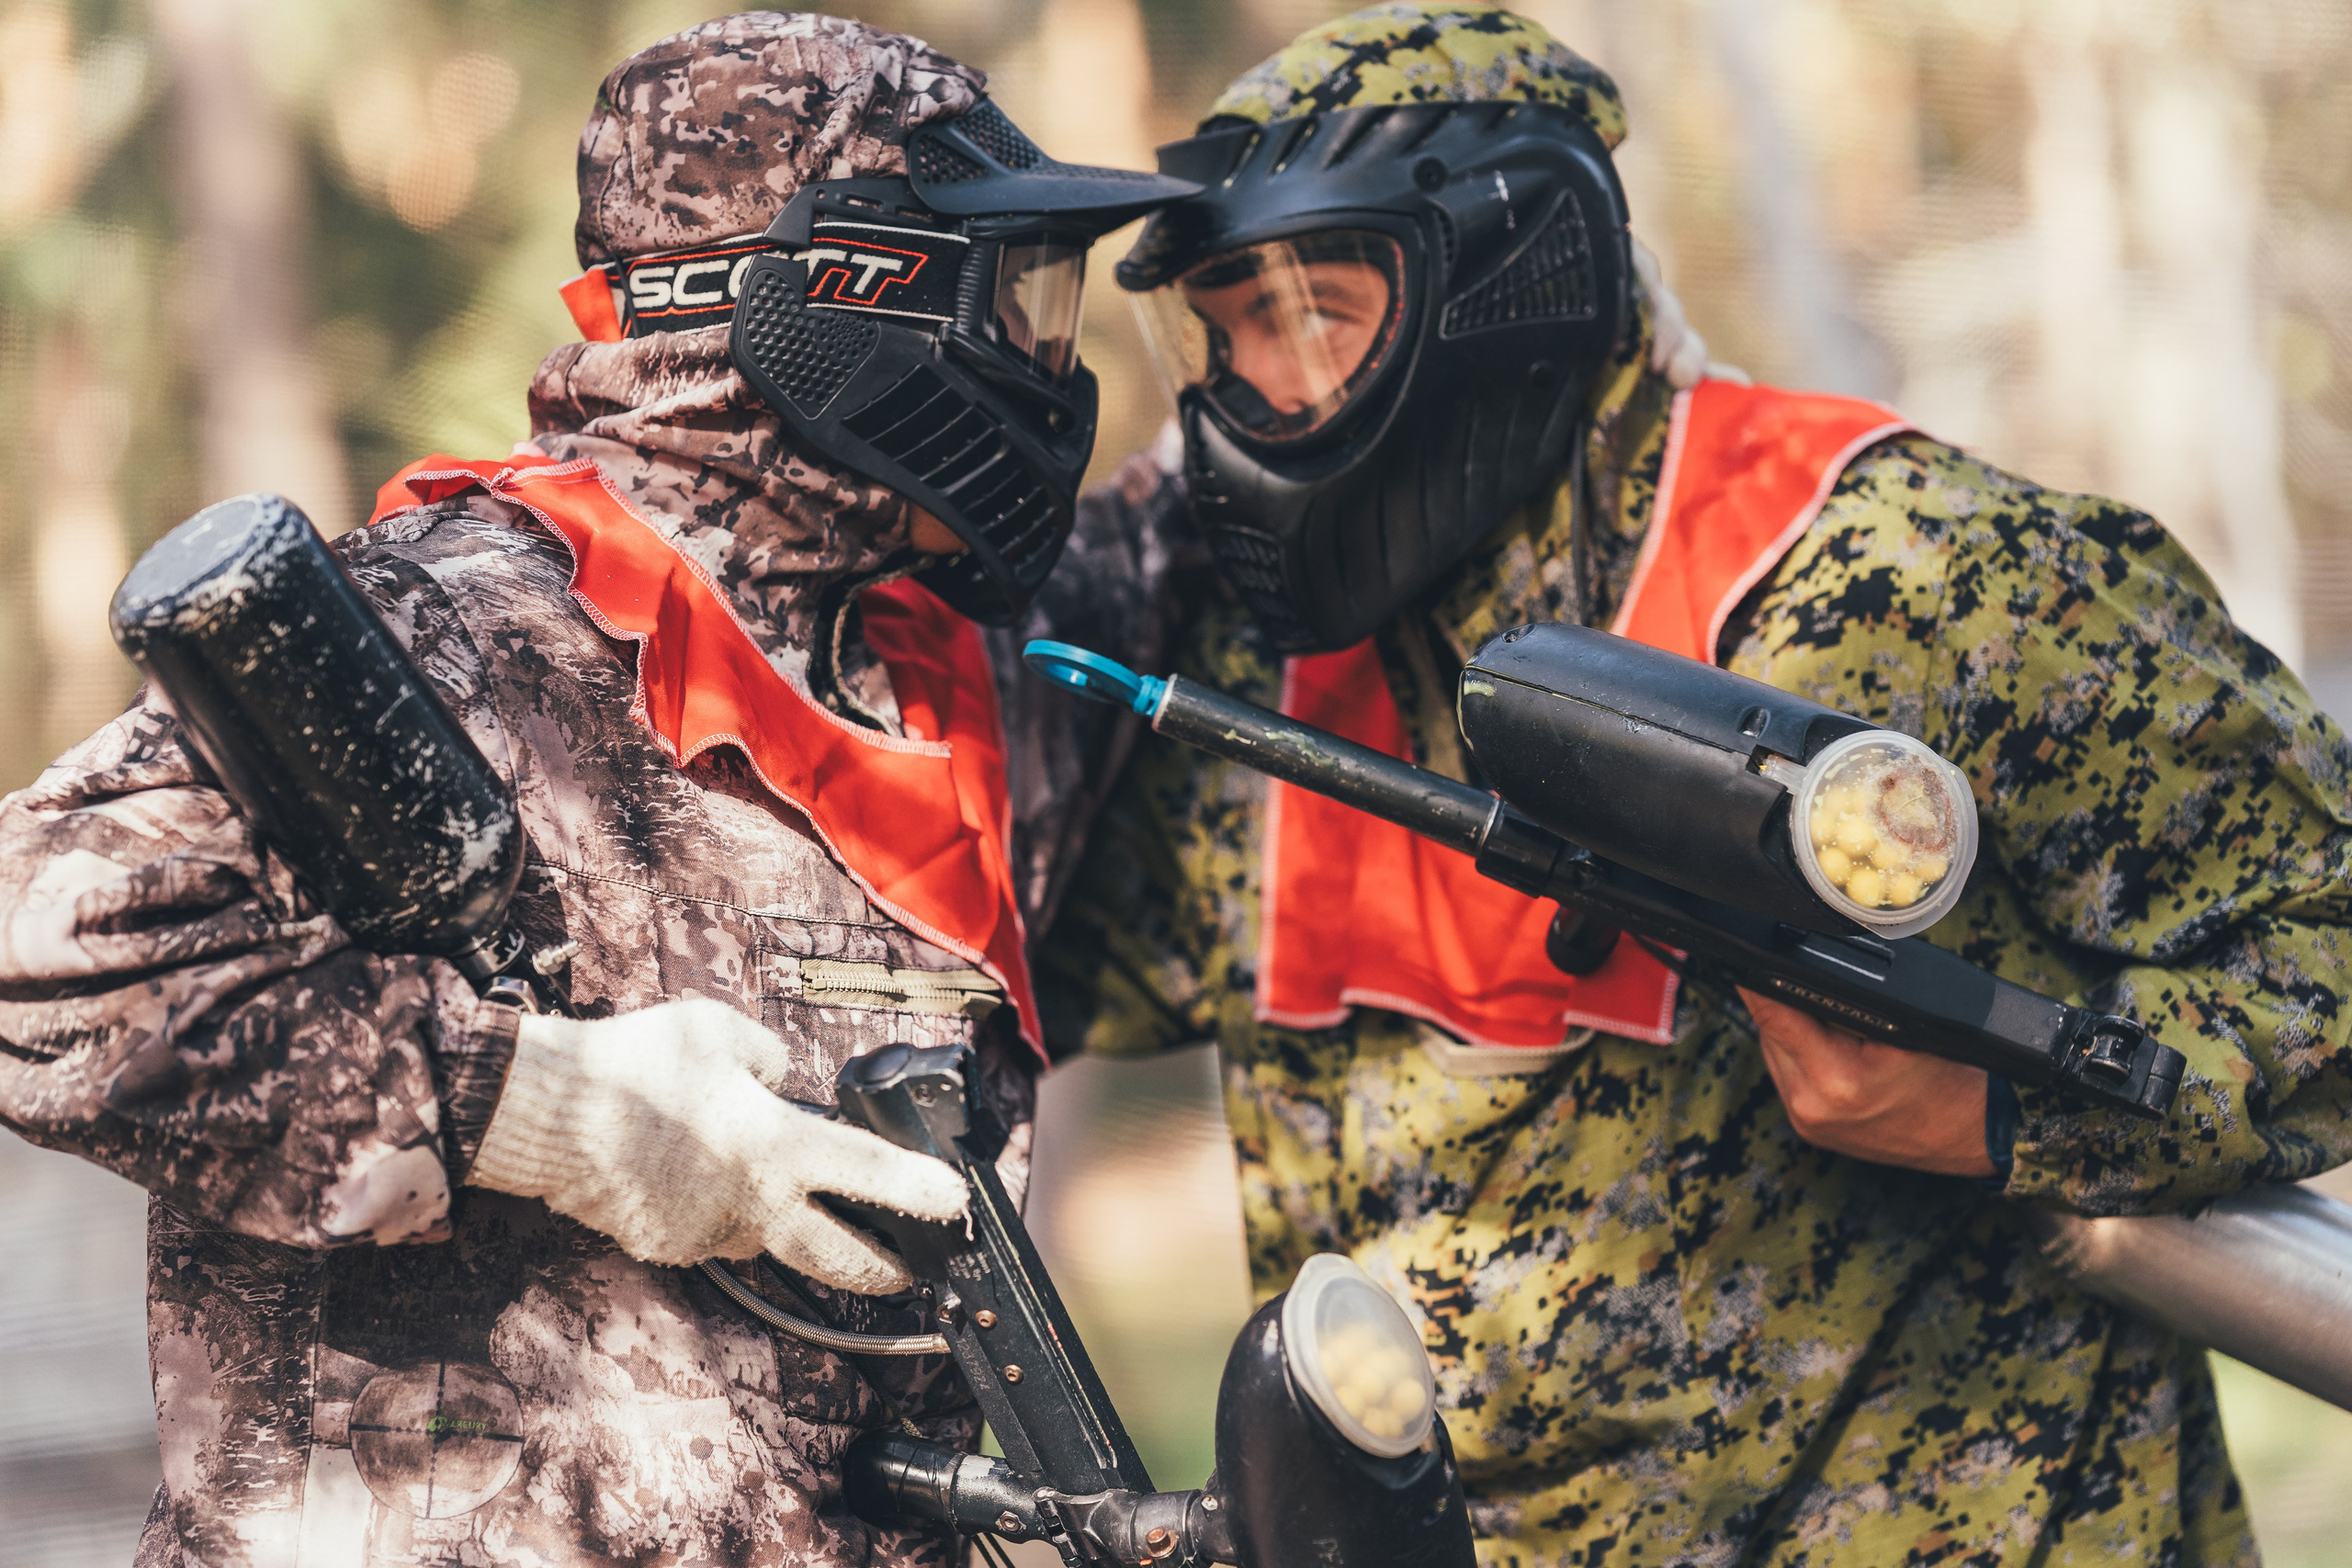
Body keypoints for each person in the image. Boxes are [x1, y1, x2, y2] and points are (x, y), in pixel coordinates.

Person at [1032, 4, 2352, 1562]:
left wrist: (2003, 1108)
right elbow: (1007, 971)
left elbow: (2316, 932)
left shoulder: (1908, 576)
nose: (1259, 395)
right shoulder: (1252, 673)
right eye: (1222, 332)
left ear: (1514, 283)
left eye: (1319, 316)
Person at [0, 13, 1191, 1566]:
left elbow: (1214, 541)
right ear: (841, 298)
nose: (1054, 364)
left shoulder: (940, 668)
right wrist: (558, 1115)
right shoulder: (460, 628)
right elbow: (43, 944)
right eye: (1018, 303)